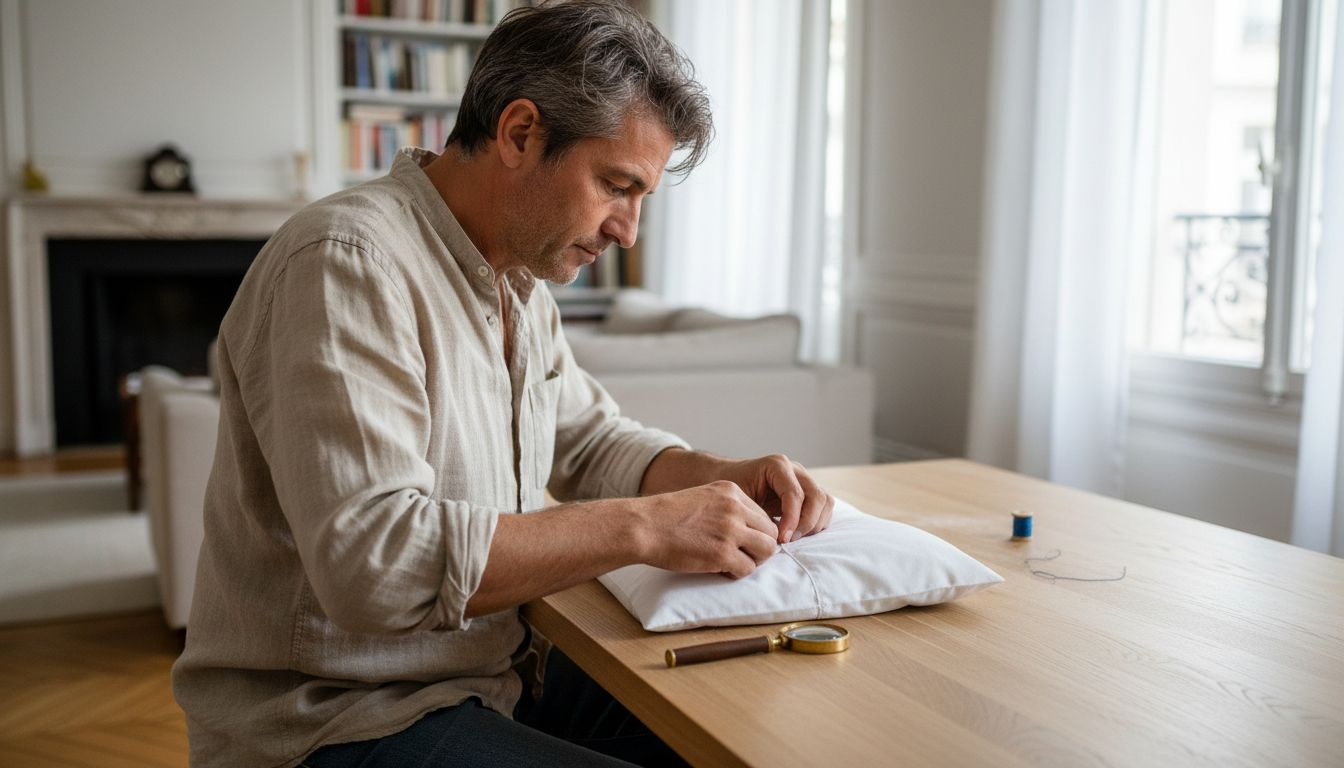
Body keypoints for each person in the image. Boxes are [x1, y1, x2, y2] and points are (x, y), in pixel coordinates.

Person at [172, 2, 835, 766]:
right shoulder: (347, 263)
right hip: (336, 719)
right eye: (617, 186)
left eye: (641, 198)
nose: (628, 231)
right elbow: (376, 566)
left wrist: (720, 476)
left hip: (489, 674)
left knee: (744, 725)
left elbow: (591, 440)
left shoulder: (516, 281)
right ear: (521, 133)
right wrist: (647, 526)